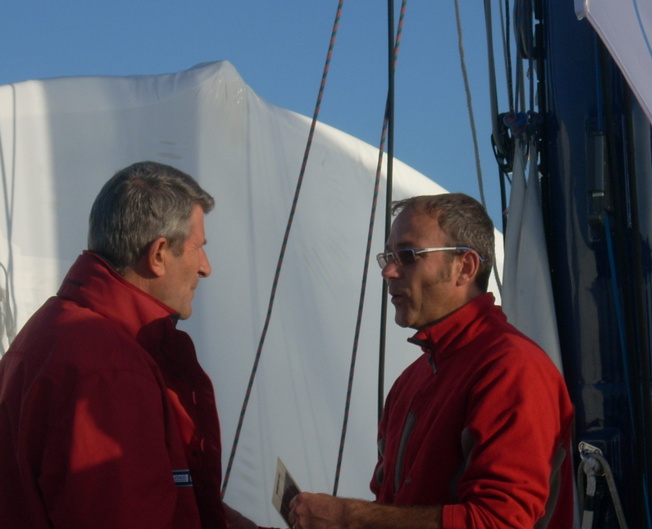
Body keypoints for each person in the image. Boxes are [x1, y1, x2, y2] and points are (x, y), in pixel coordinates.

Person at [288, 193, 574, 529]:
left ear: (464, 267)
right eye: (389, 257)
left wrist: (349, 517)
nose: (390, 272)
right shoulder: (410, 382)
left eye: (408, 256)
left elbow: (499, 523)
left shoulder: (512, 368)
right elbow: (390, 511)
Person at [0, 161, 237, 529]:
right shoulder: (110, 371)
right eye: (198, 248)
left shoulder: (56, 327)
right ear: (158, 254)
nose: (205, 267)